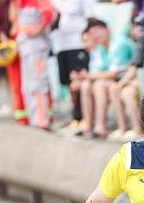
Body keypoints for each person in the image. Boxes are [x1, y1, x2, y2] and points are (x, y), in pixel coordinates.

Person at [78, 19, 135, 139]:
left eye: (98, 31)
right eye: (92, 33)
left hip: (129, 78)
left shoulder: (119, 43)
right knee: (86, 85)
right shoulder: (101, 47)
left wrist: (87, 76)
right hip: (116, 79)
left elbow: (113, 74)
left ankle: (101, 125)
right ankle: (88, 125)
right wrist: (86, 77)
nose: (95, 35)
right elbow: (97, 71)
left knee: (99, 84)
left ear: (107, 29)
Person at [50, 0, 95, 134]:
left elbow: (91, 17)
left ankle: (82, 118)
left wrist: (90, 40)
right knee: (68, 83)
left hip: (78, 43)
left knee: (79, 81)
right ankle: (75, 117)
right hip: (60, 44)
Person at [15, 0, 55, 129]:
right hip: (25, 46)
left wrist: (38, 28)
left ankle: (42, 121)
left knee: (38, 84)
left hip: (36, 47)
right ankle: (34, 120)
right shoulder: (22, 3)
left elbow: (50, 13)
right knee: (26, 86)